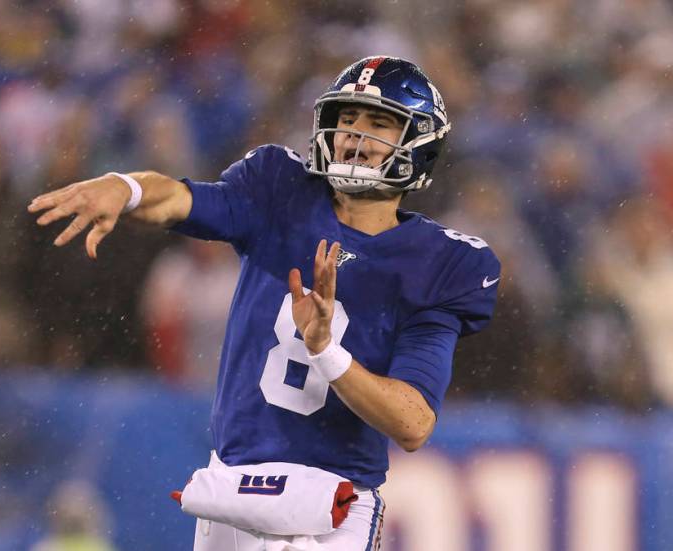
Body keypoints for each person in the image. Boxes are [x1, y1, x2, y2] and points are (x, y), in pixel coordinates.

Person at [28, 56, 500, 550]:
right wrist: (124, 189)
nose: (355, 135)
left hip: (327, 507)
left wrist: (327, 352)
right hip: (231, 486)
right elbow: (179, 200)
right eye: (346, 120)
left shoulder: (440, 262)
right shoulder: (280, 188)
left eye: (378, 122)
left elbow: (413, 422)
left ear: (419, 143)